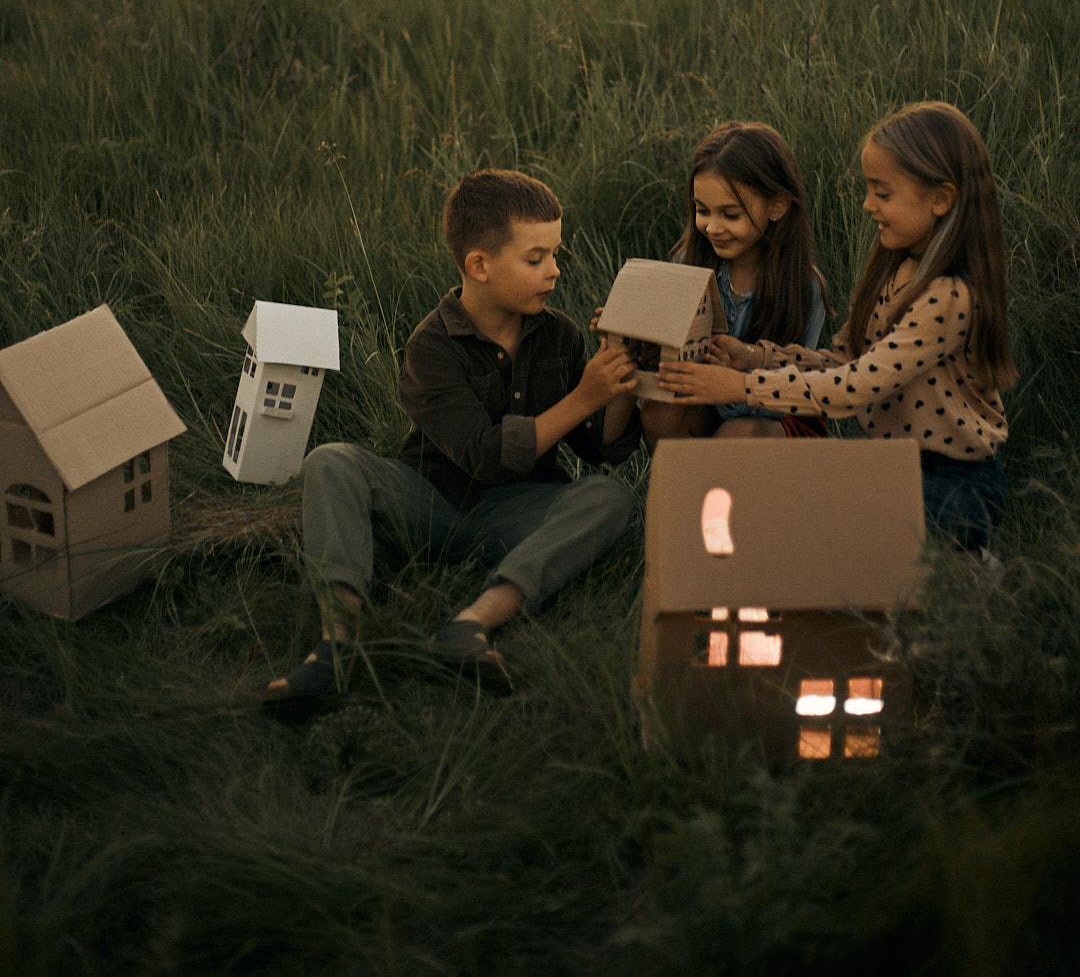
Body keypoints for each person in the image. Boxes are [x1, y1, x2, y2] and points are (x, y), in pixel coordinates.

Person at [262, 169, 641, 721]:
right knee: (330, 462)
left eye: (556, 254)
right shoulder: (431, 346)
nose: (555, 271)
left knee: (609, 495)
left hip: (518, 510)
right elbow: (484, 453)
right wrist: (585, 397)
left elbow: (595, 446)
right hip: (432, 500)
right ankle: (339, 643)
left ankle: (471, 624)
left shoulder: (559, 335)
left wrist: (619, 375)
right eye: (535, 259)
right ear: (479, 265)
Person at [657, 102, 1014, 548]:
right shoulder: (894, 268)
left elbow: (856, 385)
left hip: (954, 483)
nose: (868, 205)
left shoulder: (949, 297)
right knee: (809, 520)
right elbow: (841, 361)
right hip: (890, 467)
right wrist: (751, 357)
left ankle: (972, 562)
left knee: (825, 527)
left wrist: (740, 387)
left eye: (883, 194)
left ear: (940, 199)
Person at [642, 121, 828, 447]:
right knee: (660, 411)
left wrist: (733, 382)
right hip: (710, 401)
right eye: (702, 210)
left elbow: (793, 393)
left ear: (776, 207)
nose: (713, 227)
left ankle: (744, 497)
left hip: (776, 415)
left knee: (738, 433)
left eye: (730, 215)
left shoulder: (803, 288)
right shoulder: (689, 264)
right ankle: (681, 494)